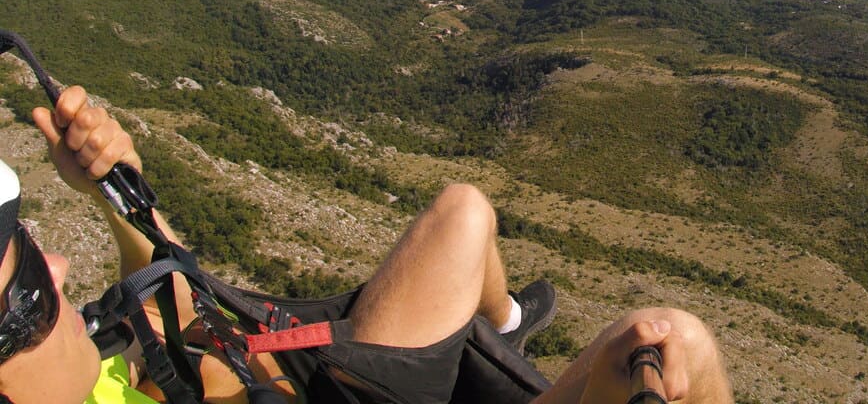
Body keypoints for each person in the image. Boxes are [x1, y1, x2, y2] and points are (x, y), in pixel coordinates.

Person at [0, 86, 734, 404]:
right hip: (336, 386)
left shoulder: (83, 382)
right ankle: (501, 338)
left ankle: (506, 329)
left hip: (311, 376)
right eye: (28, 289)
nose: (59, 268)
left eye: (31, 248)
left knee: (465, 210)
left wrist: (121, 188)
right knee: (679, 347)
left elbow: (172, 315)